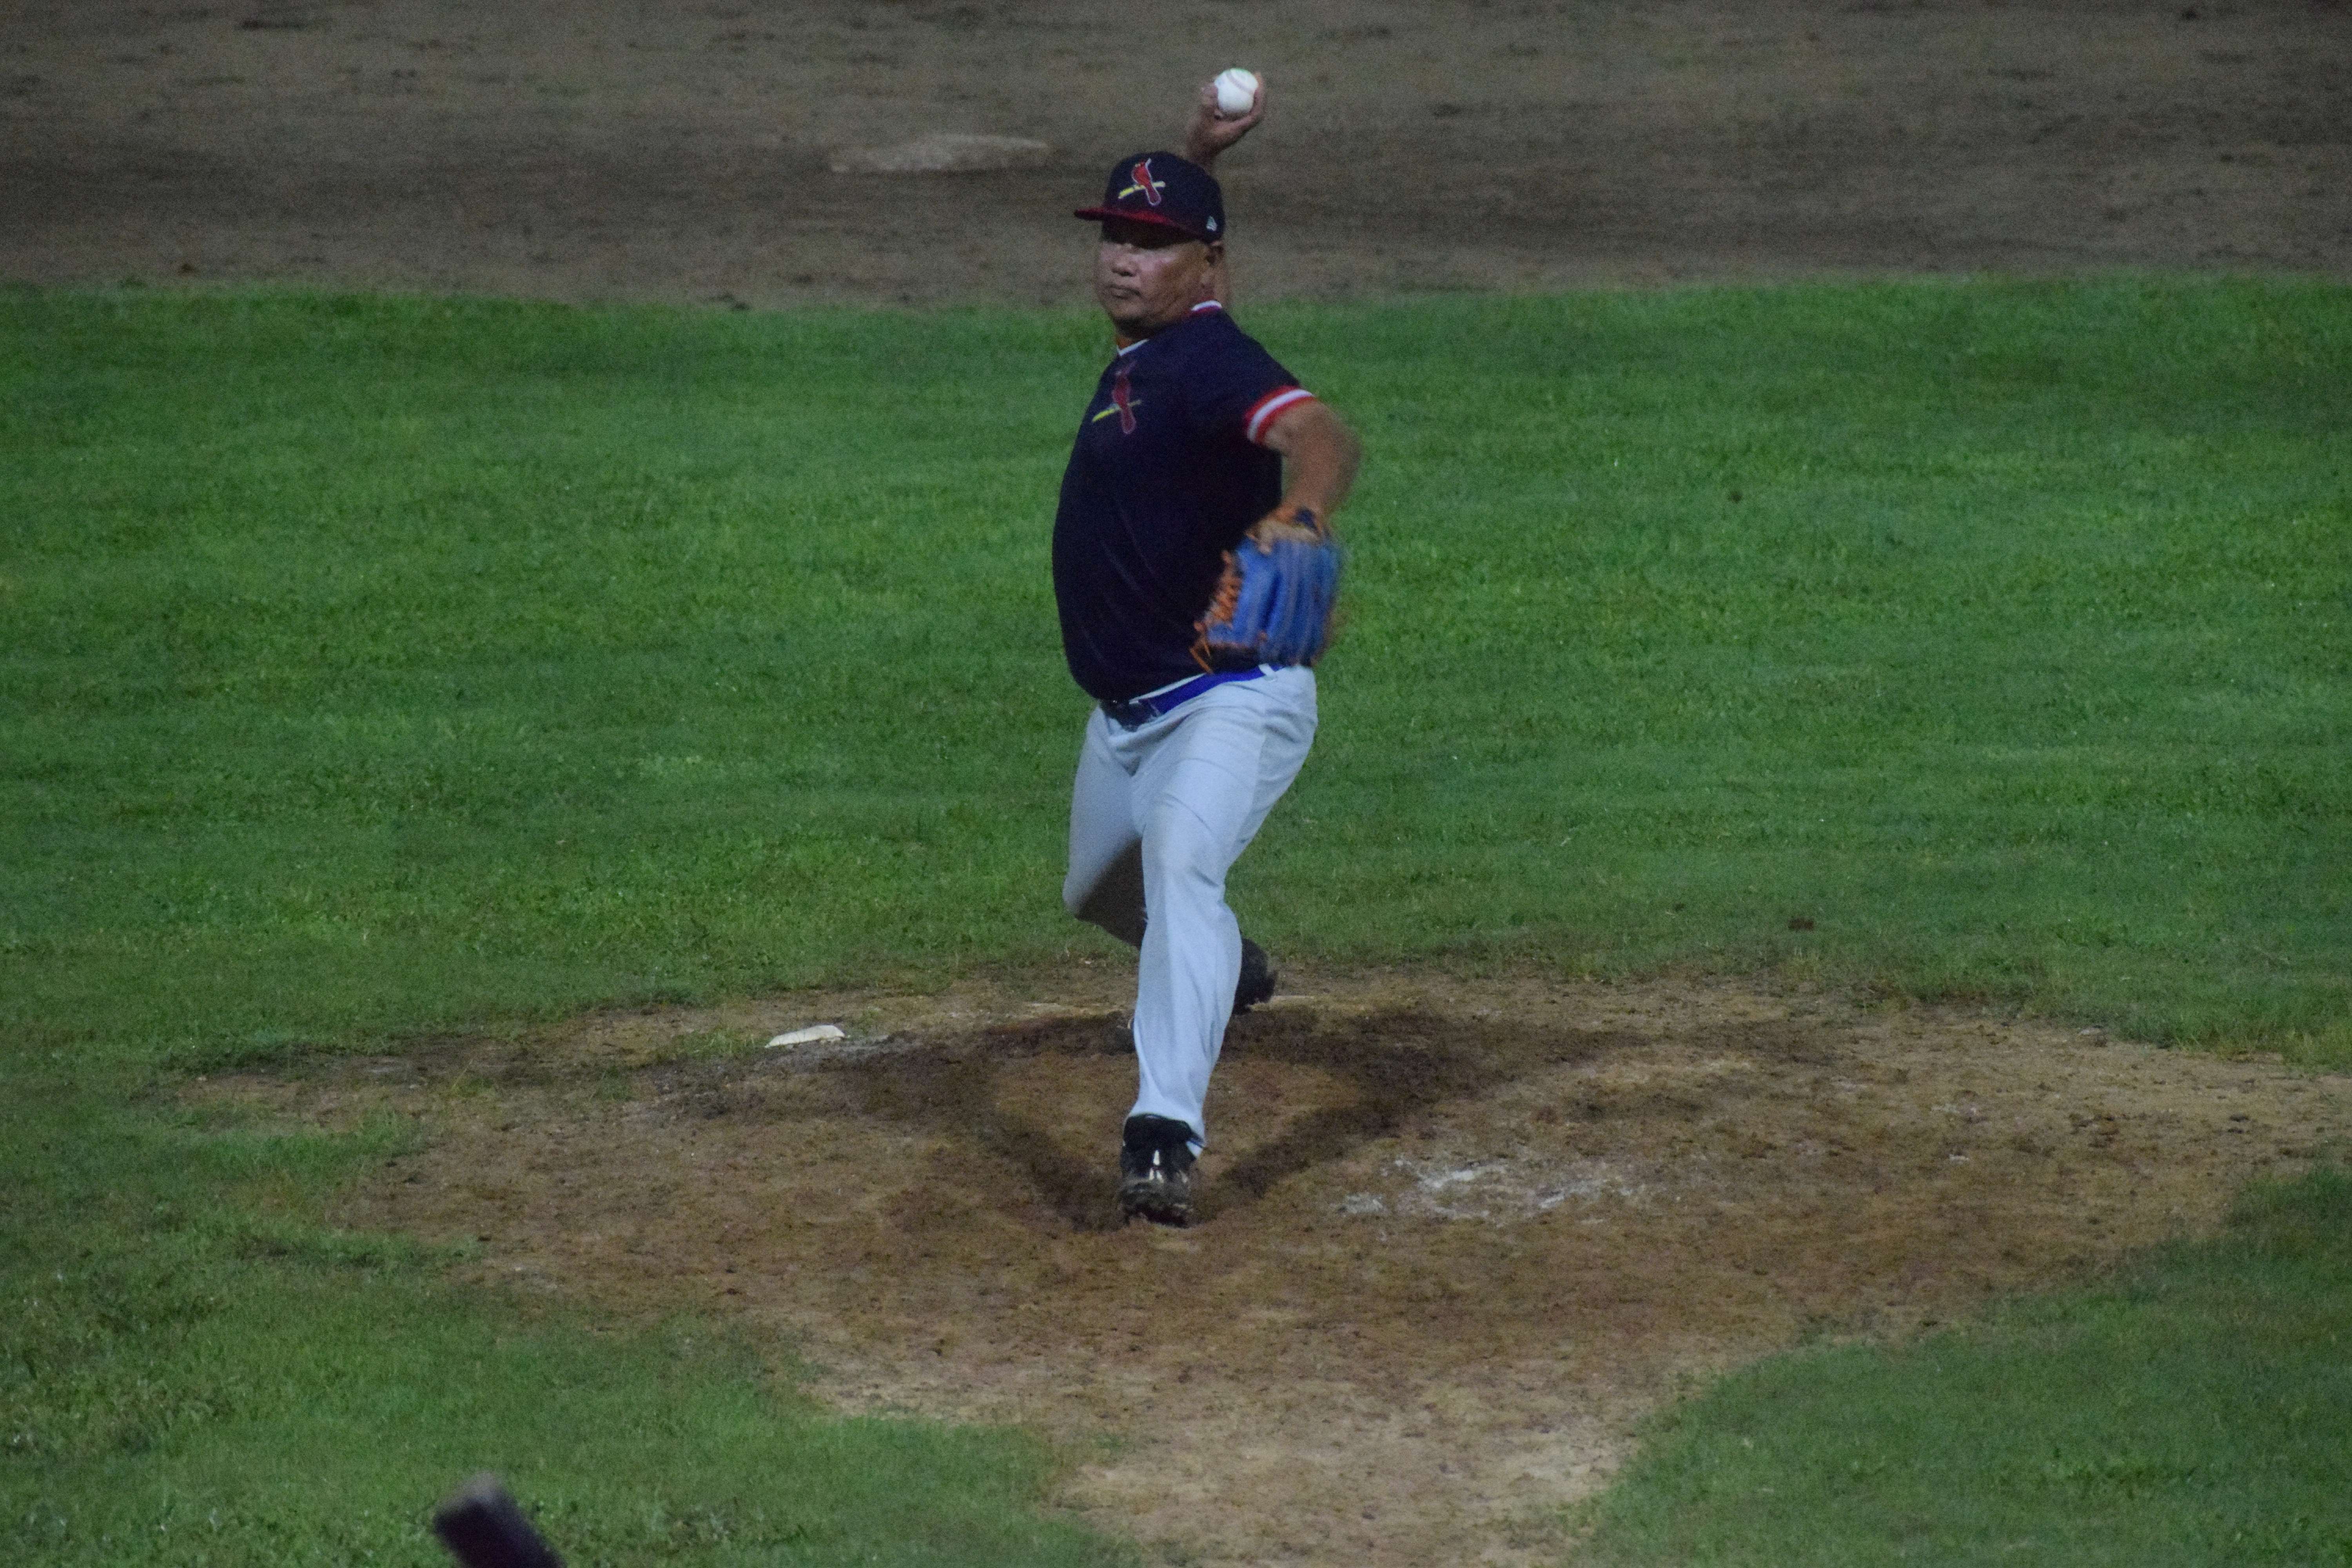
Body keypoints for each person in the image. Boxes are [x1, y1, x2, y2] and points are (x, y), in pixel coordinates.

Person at [1051, 76, 1362, 1226]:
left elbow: (1322, 434)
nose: (1123, 259)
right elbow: (1202, 265)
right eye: (1116, 237)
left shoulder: (1215, 363)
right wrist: (1194, 160)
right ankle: (1224, 969)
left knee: (1183, 861)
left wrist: (1307, 512)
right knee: (1101, 893)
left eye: (1152, 242)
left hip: (1230, 697)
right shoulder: (1163, 348)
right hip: (1124, 716)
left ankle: (1162, 1134)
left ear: (1205, 266)